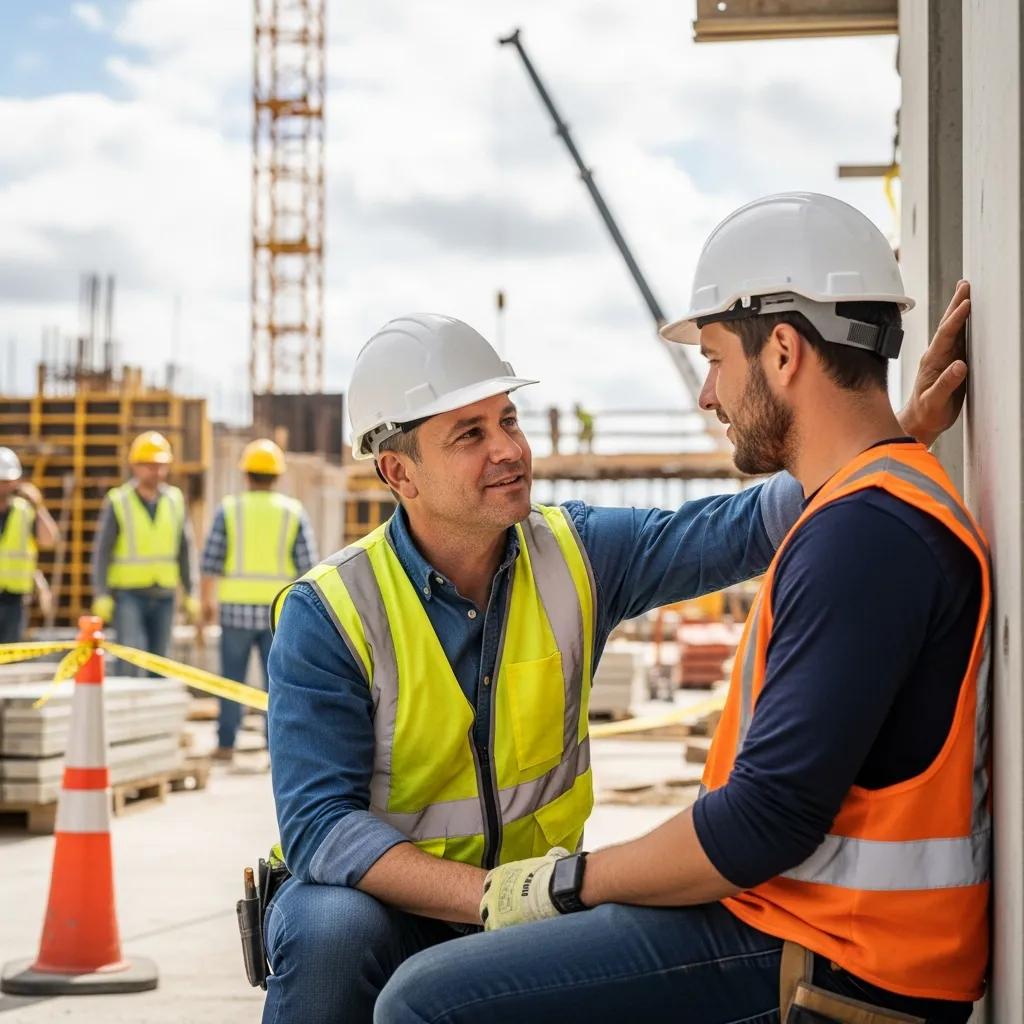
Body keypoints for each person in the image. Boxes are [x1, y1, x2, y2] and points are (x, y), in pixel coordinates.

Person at [265, 296, 967, 1024]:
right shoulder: (332, 612)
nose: (507, 447)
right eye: (468, 434)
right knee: (332, 932)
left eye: (508, 420)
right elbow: (323, 825)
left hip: (532, 895)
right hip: (397, 901)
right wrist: (489, 898)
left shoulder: (578, 556)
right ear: (398, 473)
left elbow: (734, 529)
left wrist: (884, 434)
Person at [200, 439, 317, 761]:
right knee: (278, 685)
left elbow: (210, 561)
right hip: (279, 614)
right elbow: (310, 568)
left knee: (230, 680)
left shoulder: (230, 509)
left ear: (246, 475)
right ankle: (275, 748)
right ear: (277, 476)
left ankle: (226, 744)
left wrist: (206, 604)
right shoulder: (293, 512)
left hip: (235, 611)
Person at [91, 431, 199, 673]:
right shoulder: (119, 500)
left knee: (160, 664)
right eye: (150, 466)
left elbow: (185, 549)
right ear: (135, 466)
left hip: (164, 595)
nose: (156, 471)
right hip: (129, 595)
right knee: (129, 660)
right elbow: (102, 552)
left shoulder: (174, 500)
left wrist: (191, 591)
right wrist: (101, 593)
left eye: (161, 466)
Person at [0, 447, 59, 643]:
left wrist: (38, 506)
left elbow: (49, 540)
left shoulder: (25, 511)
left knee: (9, 662)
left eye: (7, 482)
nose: (3, 487)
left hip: (15, 598)